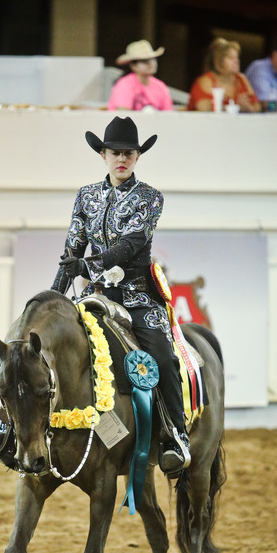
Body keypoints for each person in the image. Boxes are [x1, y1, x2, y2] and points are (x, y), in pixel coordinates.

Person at [51, 116, 190, 474]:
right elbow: (71, 252)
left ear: (138, 156)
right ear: (103, 154)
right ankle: (16, 427)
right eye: (115, 153)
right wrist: (53, 299)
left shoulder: (150, 198)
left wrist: (88, 266)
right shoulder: (85, 196)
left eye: (129, 153)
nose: (122, 159)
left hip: (139, 297)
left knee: (162, 352)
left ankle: (177, 435)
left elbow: (131, 244)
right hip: (96, 296)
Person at [187, 37, 260, 112]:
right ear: (218, 62)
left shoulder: (241, 79)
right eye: (231, 58)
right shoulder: (206, 80)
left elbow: (257, 107)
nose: (237, 61)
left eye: (237, 57)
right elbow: (204, 108)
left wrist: (248, 108)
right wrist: (236, 107)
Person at [107, 40, 173, 112]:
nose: (151, 64)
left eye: (153, 59)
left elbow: (168, 114)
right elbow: (123, 116)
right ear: (133, 66)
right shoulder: (125, 84)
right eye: (145, 61)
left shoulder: (160, 86)